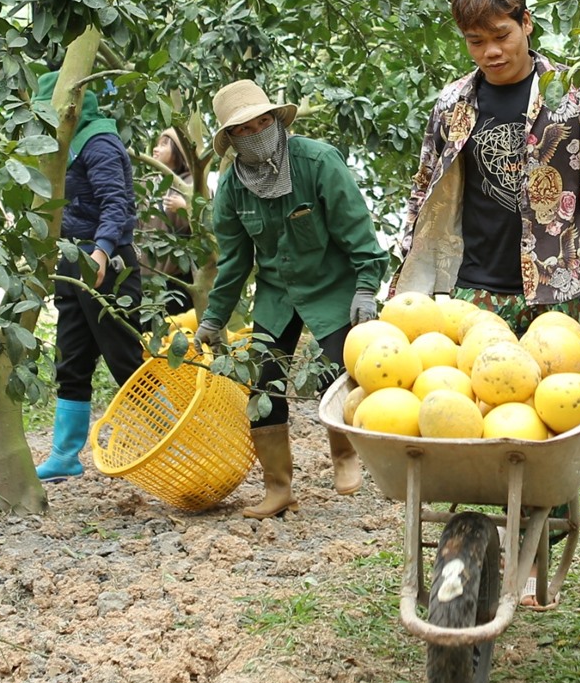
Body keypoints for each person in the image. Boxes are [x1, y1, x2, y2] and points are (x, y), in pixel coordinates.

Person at [395, 0, 580, 337]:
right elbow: (423, 191)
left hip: (557, 291)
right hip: (472, 292)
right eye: (475, 42)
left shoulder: (574, 98)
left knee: (558, 392)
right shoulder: (452, 104)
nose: (491, 51)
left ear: (526, 22)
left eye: (501, 35)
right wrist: (404, 275)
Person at [194, 81, 388, 518]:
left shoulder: (317, 161)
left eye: (263, 121)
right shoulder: (232, 188)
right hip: (279, 293)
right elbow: (235, 263)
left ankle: (345, 455)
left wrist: (365, 287)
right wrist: (213, 319)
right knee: (262, 380)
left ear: (276, 120)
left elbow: (357, 230)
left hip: (332, 285)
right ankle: (278, 488)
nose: (257, 131)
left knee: (337, 370)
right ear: (232, 139)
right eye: (244, 128)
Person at [36, 69, 145, 481]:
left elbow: (116, 205)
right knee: (71, 357)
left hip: (107, 264)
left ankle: (158, 436)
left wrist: (100, 251)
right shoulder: (63, 147)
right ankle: (65, 455)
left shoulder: (98, 142)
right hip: (72, 263)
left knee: (125, 360)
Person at [144, 127, 196, 318]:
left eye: (164, 144)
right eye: (157, 144)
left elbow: (205, 227)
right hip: (146, 277)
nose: (156, 150)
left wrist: (186, 207)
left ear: (179, 150)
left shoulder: (192, 184)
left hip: (178, 278)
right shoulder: (147, 185)